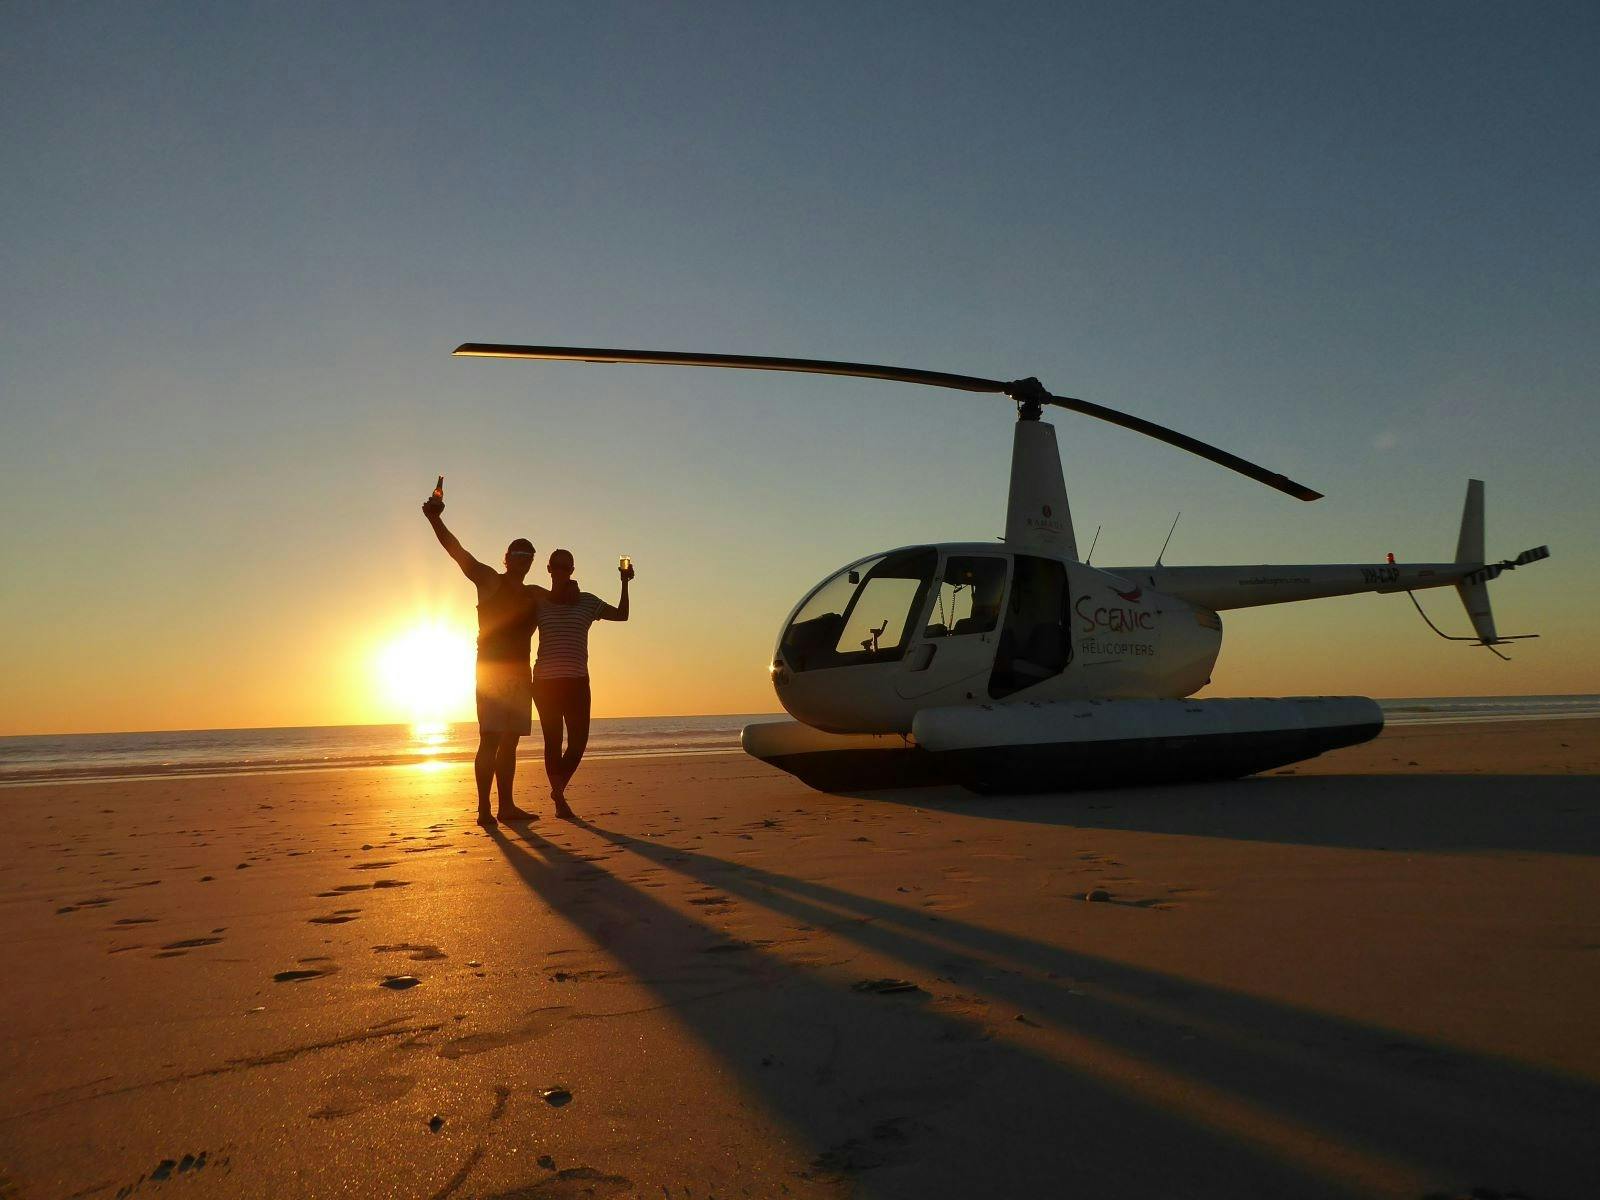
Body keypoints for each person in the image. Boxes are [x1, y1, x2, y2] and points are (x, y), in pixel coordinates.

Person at [422, 490, 545, 826]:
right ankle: (483, 810)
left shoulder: (534, 594)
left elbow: (565, 600)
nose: (523, 559)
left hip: (520, 673)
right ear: (507, 558)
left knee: (511, 742)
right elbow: (457, 552)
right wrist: (435, 518)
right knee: (490, 738)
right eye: (518, 554)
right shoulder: (490, 579)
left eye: (529, 555)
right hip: (491, 671)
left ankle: (507, 806)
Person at [531, 549, 632, 819]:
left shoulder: (587, 602)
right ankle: (560, 799)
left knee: (578, 742)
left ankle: (557, 789)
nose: (562, 570)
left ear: (572, 570)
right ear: (549, 569)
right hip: (545, 682)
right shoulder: (538, 601)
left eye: (567, 566)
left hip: (577, 680)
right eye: (558, 566)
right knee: (552, 741)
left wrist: (624, 582)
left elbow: (622, 615)